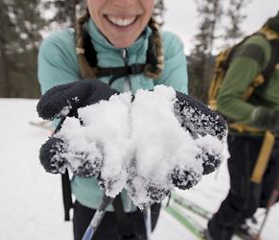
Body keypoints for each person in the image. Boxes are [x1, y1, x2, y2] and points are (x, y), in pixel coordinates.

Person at [37, 0, 188, 239]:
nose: (124, 2)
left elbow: (173, 122)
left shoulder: (168, 47)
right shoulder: (61, 48)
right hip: (93, 201)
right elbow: (65, 124)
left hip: (148, 196)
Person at [206, 12, 279, 240]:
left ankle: (238, 221)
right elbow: (226, 101)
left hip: (273, 135)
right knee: (244, 199)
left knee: (268, 195)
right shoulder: (259, 47)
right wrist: (269, 118)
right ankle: (216, 233)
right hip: (248, 136)